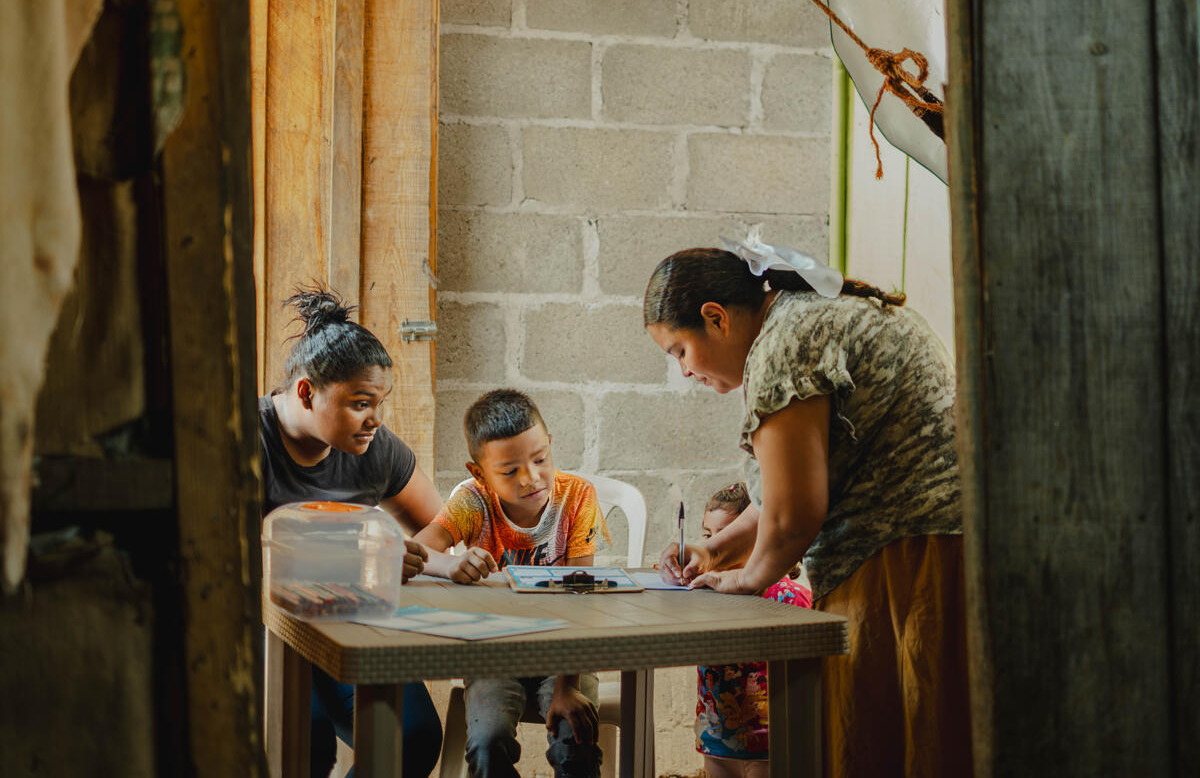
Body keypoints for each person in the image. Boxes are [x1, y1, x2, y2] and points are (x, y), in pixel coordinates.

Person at [645, 243, 972, 778]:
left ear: (716, 318)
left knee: (903, 748)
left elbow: (796, 515)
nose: (683, 372)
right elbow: (781, 496)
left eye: (679, 350)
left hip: (909, 559)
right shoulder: (797, 323)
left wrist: (747, 580)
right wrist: (713, 551)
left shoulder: (782, 346)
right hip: (923, 549)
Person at [259, 287, 444, 778]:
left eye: (380, 402)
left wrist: (417, 558)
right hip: (265, 633)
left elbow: (438, 524)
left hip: (348, 625)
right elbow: (225, 560)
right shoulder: (244, 439)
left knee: (415, 737)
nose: (375, 420)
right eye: (362, 403)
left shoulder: (375, 448)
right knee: (304, 742)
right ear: (306, 392)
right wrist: (366, 558)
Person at [414, 388, 609, 778]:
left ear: (550, 445)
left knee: (576, 740)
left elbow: (579, 596)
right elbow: (418, 551)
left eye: (540, 459)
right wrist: (450, 566)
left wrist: (567, 685)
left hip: (564, 651)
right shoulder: (473, 502)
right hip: (494, 654)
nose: (531, 478)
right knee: (487, 742)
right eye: (509, 471)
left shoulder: (577, 497)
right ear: (479, 473)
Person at [694, 483, 812, 778]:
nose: (718, 549)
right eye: (709, 537)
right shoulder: (702, 597)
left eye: (729, 538)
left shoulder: (789, 599)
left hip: (772, 745)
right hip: (717, 742)